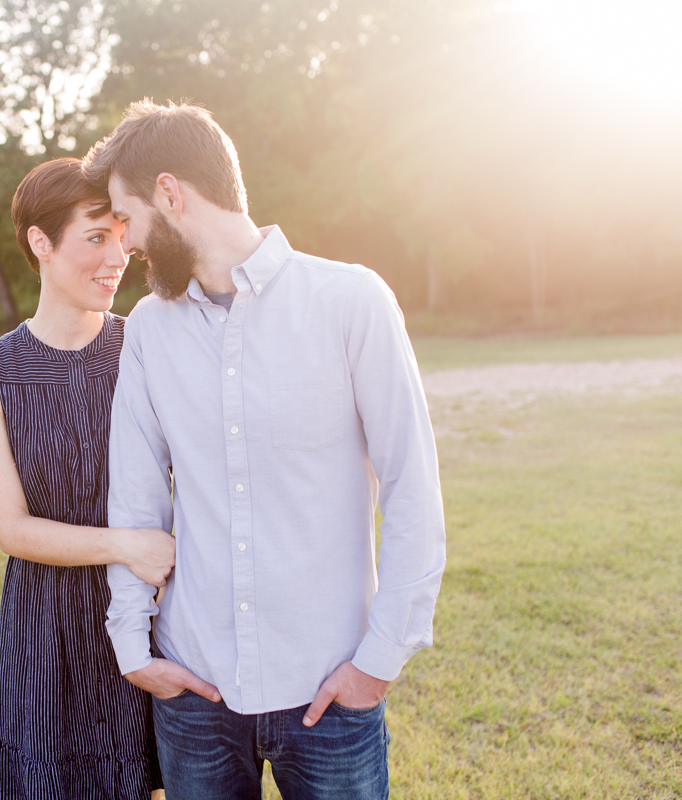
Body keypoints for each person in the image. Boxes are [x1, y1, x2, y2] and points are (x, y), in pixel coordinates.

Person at [84, 100, 447, 799]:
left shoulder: (351, 302)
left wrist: (379, 660)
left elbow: (412, 487)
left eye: (127, 219)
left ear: (171, 192)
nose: (123, 245)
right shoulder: (149, 332)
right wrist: (134, 650)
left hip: (331, 688)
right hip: (195, 692)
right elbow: (135, 498)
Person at [0, 157, 167, 799]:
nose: (118, 255)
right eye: (97, 237)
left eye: (122, 236)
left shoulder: (146, 348)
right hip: (45, 628)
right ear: (40, 243)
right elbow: (11, 528)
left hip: (144, 616)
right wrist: (125, 545)